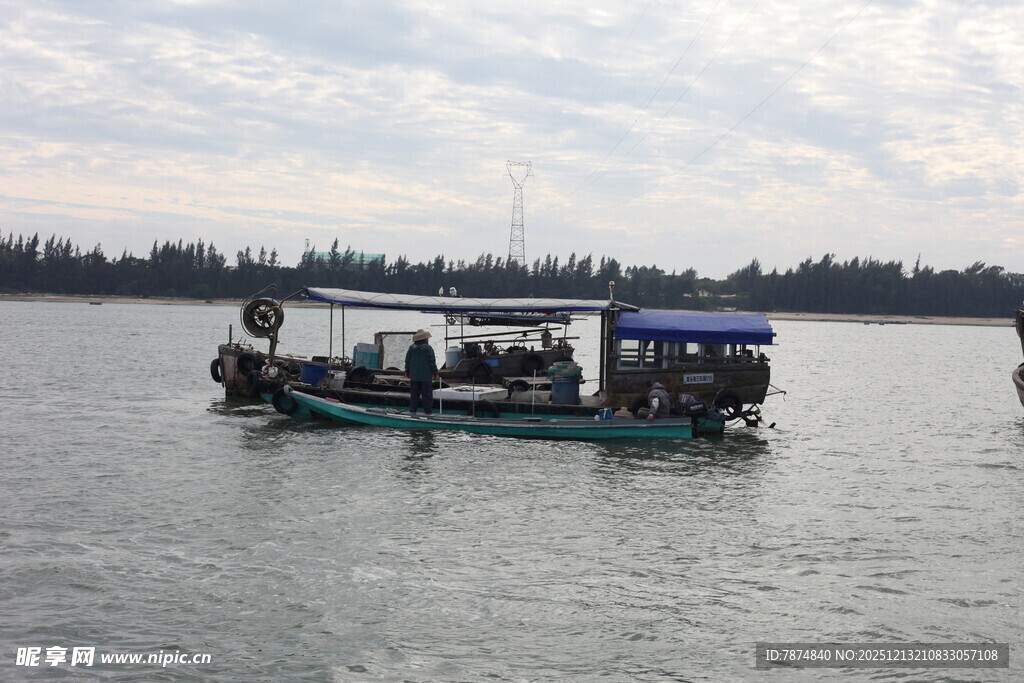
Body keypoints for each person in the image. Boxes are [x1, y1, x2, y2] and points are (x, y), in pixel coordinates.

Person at [405, 329, 438, 414]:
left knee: (414, 395)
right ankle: (428, 412)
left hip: (414, 376)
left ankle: (413, 411)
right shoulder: (428, 348)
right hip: (426, 376)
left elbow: (407, 361)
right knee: (427, 395)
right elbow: (432, 361)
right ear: (425, 339)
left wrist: (407, 371)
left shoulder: (411, 348)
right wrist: (435, 372)